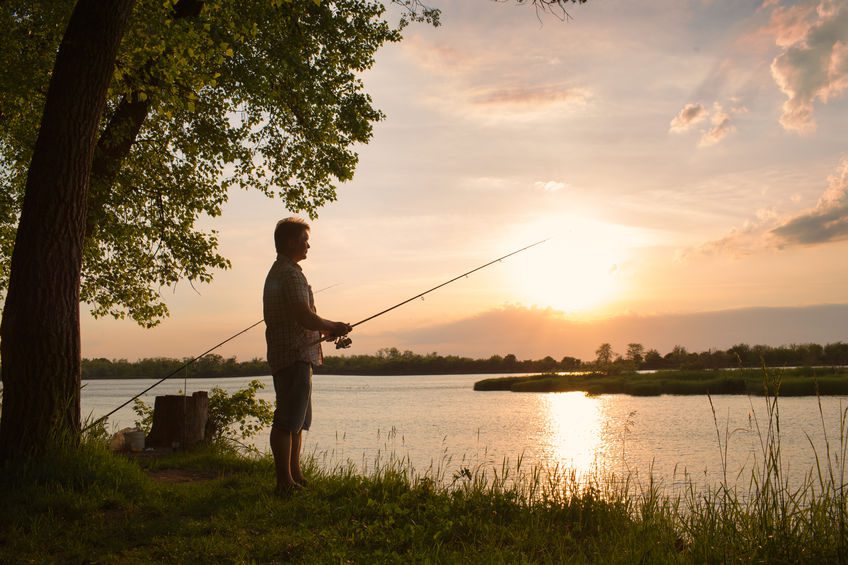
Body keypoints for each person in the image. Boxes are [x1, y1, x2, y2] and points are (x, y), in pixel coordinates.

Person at [263, 217, 350, 494]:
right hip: (293, 356)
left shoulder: (282, 272)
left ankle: (295, 475)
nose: (308, 245)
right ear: (291, 242)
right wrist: (331, 325)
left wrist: (326, 331)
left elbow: (299, 319)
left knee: (297, 421)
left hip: (293, 354)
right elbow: (303, 315)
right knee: (287, 420)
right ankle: (284, 482)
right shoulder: (290, 274)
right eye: (304, 240)